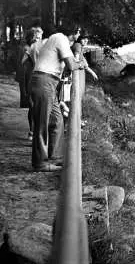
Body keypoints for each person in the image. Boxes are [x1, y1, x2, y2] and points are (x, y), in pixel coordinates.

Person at [30, 26, 85, 172]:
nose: (79, 35)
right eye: (79, 32)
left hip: (48, 82)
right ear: (75, 33)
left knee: (57, 120)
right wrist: (81, 64)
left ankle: (55, 157)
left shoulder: (57, 38)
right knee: (42, 123)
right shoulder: (61, 38)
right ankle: (40, 163)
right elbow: (72, 65)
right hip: (44, 81)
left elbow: (67, 65)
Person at [18, 27, 43, 140]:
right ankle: (32, 131)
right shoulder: (27, 48)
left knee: (41, 105)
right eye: (36, 38)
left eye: (40, 37)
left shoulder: (42, 48)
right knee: (32, 105)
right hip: (31, 78)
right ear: (31, 38)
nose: (38, 40)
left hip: (42, 79)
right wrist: (29, 55)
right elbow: (22, 63)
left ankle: (39, 130)